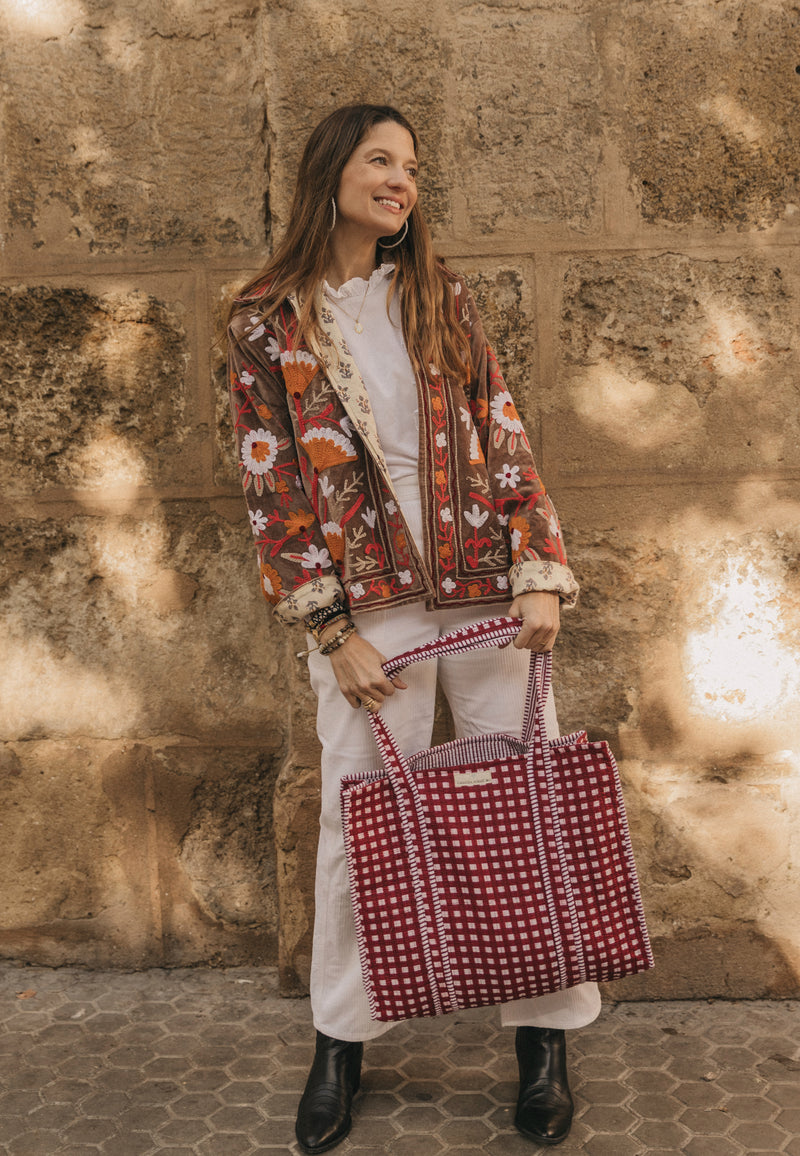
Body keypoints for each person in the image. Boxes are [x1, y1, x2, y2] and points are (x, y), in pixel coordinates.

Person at [227, 103, 600, 1153]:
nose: (400, 181)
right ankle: (340, 1040)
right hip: (370, 614)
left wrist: (538, 574)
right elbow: (270, 487)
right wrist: (326, 627)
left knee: (519, 804)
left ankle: (544, 1037)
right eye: (380, 160)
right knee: (358, 824)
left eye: (411, 167)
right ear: (330, 171)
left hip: (488, 597)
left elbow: (503, 430)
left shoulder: (440, 295)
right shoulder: (265, 320)